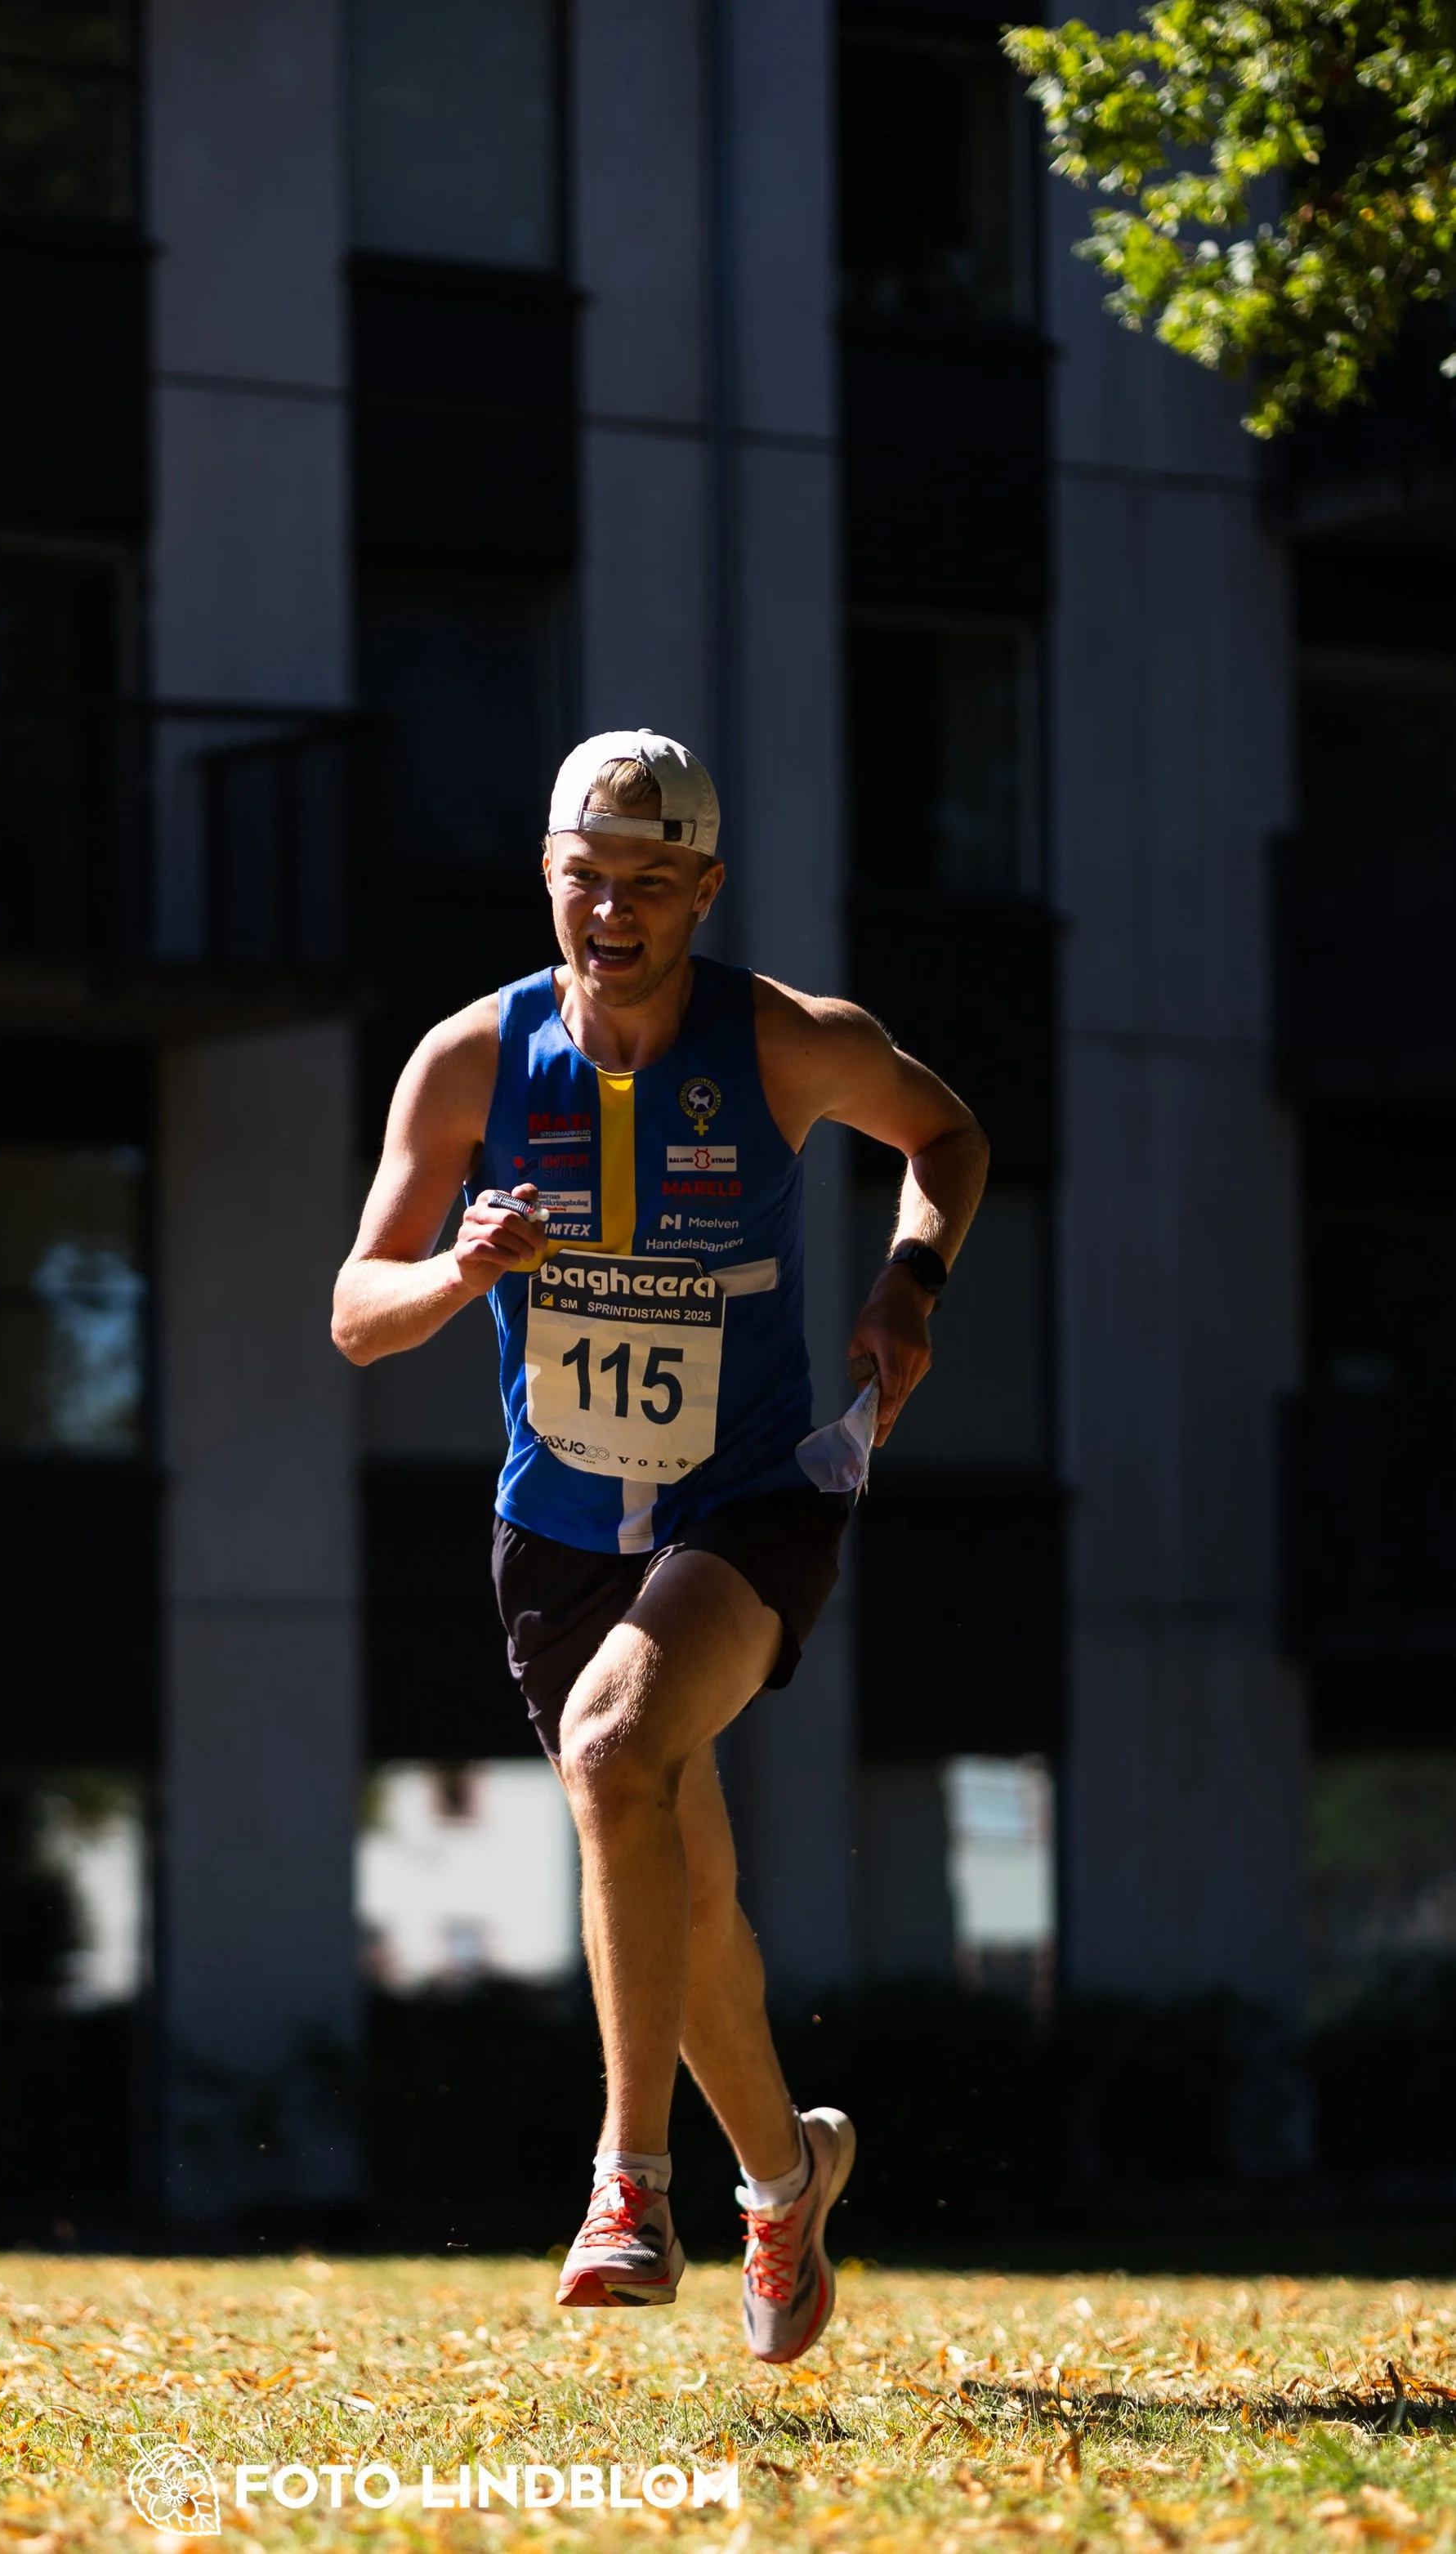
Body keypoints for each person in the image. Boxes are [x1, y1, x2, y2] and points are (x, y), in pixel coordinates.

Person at [331, 729, 987, 2364]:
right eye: (582, 878)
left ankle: (629, 2184)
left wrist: (907, 1284)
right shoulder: (470, 1063)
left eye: (645, 884)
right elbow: (355, 1314)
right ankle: (787, 2174)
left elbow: (946, 1138)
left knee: (617, 1755)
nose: (610, 913)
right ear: (544, 876)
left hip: (748, 1495)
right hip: (557, 1526)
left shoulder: (781, 1042)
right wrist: (463, 1270)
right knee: (681, 1892)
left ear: (701, 888)